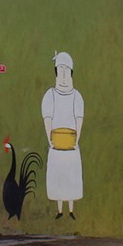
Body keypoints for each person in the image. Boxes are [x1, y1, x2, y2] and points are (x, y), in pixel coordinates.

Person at [41, 52, 84, 219]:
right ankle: (60, 211)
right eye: (60, 71)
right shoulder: (50, 95)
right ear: (56, 73)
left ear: (71, 73)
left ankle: (71, 210)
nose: (64, 76)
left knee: (71, 179)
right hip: (56, 146)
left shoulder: (76, 96)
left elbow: (79, 119)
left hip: (72, 146)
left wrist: (76, 140)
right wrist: (50, 139)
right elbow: (48, 118)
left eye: (67, 71)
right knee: (58, 179)